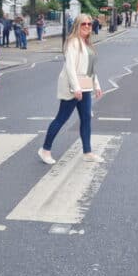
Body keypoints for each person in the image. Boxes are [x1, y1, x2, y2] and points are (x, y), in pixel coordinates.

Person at [38, 14, 103, 165]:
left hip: (85, 85)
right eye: (83, 24)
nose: (87, 26)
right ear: (77, 26)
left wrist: (97, 85)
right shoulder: (73, 42)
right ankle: (45, 150)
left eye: (89, 24)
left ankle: (87, 152)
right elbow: (70, 67)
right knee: (61, 118)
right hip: (73, 87)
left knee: (86, 118)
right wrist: (76, 88)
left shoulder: (87, 43)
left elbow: (90, 68)